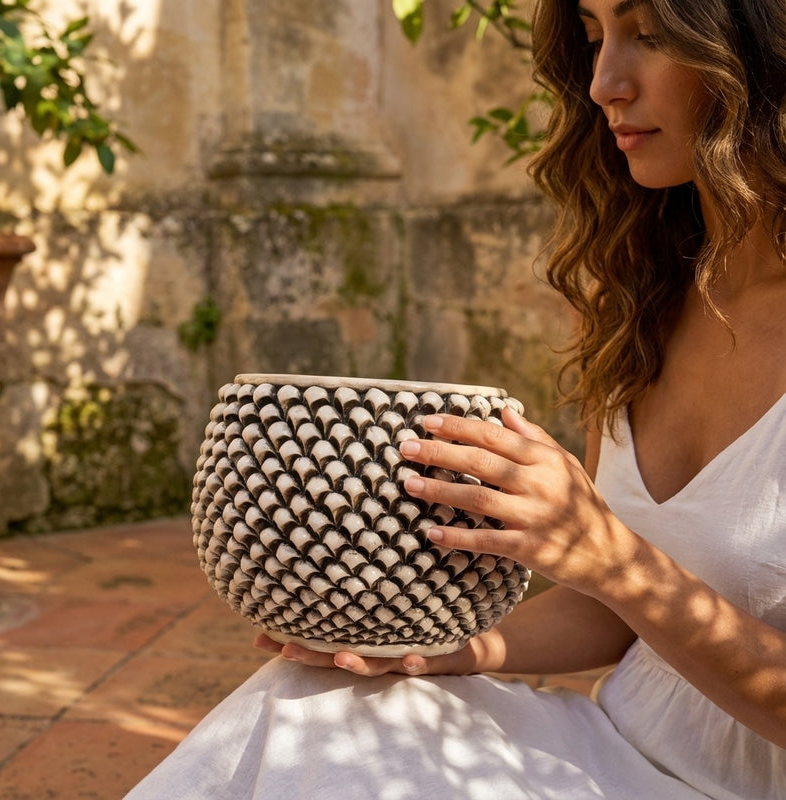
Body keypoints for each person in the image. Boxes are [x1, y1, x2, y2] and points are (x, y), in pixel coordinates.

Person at [125, 0, 786, 797]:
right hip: (614, 751)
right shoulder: (650, 297)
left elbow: (626, 579)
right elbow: (616, 612)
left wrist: (614, 558)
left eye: (648, 34)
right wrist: (435, 649)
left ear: (756, 44)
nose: (605, 82)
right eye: (591, 36)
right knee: (312, 698)